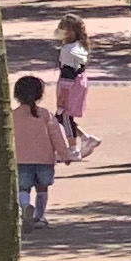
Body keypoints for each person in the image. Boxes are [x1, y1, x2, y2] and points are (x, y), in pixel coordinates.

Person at [6, 73, 66, 235]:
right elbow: (56, 136)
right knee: (42, 188)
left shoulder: (11, 116)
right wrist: (64, 154)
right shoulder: (46, 115)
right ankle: (40, 217)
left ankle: (25, 206)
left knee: (22, 188)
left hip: (20, 160)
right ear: (40, 95)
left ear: (17, 95)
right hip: (44, 160)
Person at [50, 13, 96, 159]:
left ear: (70, 31)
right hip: (79, 82)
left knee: (64, 113)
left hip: (70, 85)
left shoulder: (68, 50)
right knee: (61, 116)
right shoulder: (79, 46)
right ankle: (86, 138)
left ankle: (73, 149)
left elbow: (68, 73)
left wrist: (62, 96)